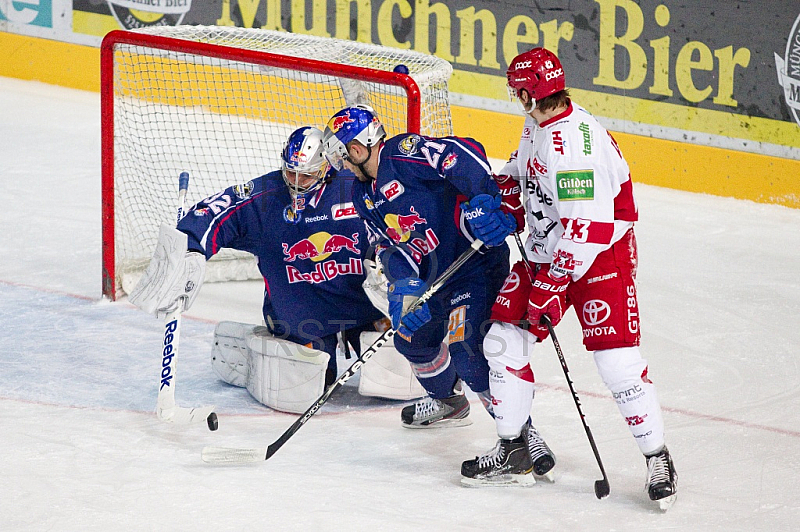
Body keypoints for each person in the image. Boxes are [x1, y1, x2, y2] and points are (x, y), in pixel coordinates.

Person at [462, 47, 677, 508]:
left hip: (599, 257)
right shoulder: (539, 122)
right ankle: (512, 448)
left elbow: (589, 230)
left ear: (526, 91)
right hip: (549, 250)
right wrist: (506, 203)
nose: (514, 97)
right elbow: (521, 173)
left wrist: (549, 287)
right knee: (502, 342)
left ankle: (657, 456)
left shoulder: (576, 147)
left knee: (617, 363)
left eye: (516, 89)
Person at [129, 126, 424, 414]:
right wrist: (192, 248)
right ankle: (255, 351)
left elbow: (413, 220)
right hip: (302, 313)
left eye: (306, 175)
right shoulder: (266, 198)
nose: (296, 182)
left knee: (398, 380)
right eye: (290, 172)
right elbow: (211, 212)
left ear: (326, 168)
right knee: (302, 390)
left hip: (365, 306)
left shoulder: (358, 187)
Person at [321, 104, 552, 470]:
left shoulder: (403, 153)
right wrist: (404, 288)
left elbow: (465, 152)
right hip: (433, 280)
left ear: (359, 147)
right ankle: (449, 401)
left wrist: (484, 200)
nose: (340, 163)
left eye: (341, 153)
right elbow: (386, 246)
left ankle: (522, 436)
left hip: (474, 268)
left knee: (466, 350)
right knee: (410, 340)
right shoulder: (361, 194)